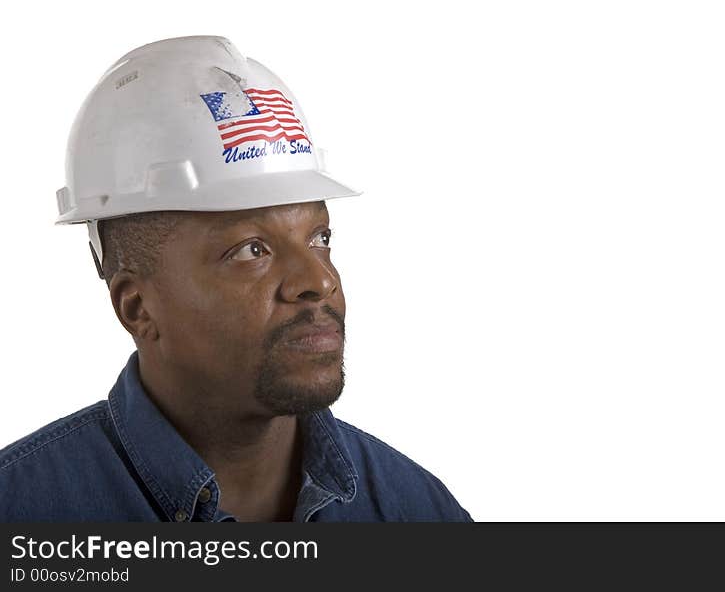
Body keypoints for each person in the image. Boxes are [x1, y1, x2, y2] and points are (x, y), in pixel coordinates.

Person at [0, 36, 473, 522]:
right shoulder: (24, 513)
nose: (319, 280)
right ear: (137, 306)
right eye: (252, 250)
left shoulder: (414, 510)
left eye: (320, 238)